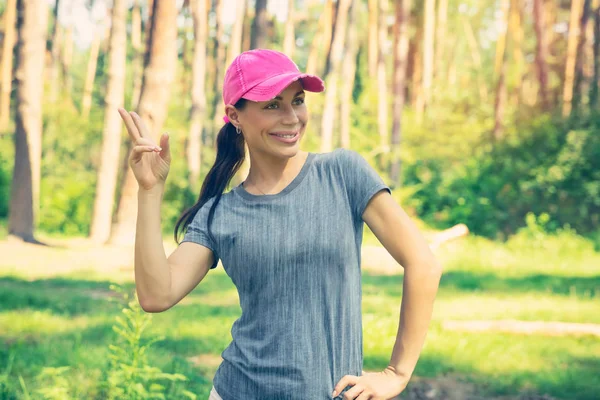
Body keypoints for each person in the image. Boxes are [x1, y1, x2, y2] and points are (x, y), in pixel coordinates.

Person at [118, 49, 443, 400]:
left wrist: (396, 373)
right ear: (235, 116)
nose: (291, 117)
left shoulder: (342, 174)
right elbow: (156, 294)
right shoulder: (220, 213)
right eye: (272, 105)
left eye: (298, 101)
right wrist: (149, 192)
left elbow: (422, 263)